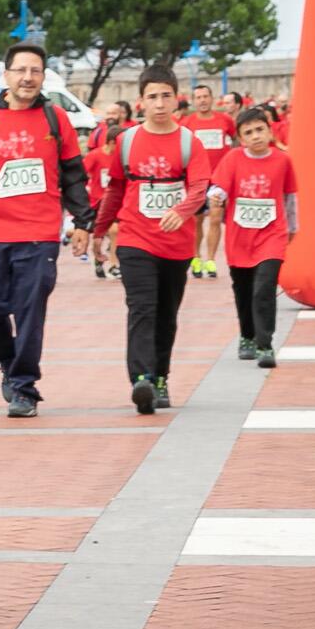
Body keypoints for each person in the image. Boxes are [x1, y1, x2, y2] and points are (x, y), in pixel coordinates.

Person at [0, 43, 94, 418]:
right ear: (6, 75)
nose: (27, 78)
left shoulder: (54, 118)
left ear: (43, 77)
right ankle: (8, 361)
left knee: (30, 309)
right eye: (20, 70)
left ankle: (24, 387)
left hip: (40, 232)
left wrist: (82, 222)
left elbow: (74, 174)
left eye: (35, 71)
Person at [93, 65, 212, 414]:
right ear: (140, 101)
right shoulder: (128, 141)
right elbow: (115, 190)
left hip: (175, 244)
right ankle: (141, 379)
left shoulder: (190, 142)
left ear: (176, 99)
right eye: (152, 97)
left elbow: (200, 186)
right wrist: (100, 230)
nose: (159, 103)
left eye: (165, 96)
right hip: (134, 239)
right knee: (141, 307)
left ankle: (160, 377)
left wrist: (185, 209)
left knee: (166, 313)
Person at [208, 106, 300, 367]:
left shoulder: (283, 161)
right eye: (248, 132)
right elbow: (220, 187)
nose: (256, 136)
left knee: (264, 288)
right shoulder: (233, 159)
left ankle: (265, 344)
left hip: (272, 235)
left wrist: (293, 227)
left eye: (260, 130)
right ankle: (246, 336)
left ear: (270, 131)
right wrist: (215, 196)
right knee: (244, 289)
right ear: (240, 138)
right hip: (240, 237)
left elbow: (290, 196)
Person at [179, 84, 237, 279]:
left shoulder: (225, 120)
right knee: (196, 221)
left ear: (212, 99)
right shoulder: (187, 123)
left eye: (205, 96)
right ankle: (196, 258)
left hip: (219, 180)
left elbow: (237, 140)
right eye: (198, 97)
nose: (202, 100)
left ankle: (211, 260)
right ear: (194, 101)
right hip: (195, 179)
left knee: (215, 218)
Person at [82, 117, 128, 278]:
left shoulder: (123, 159)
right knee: (102, 233)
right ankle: (99, 260)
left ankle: (115, 265)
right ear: (111, 143)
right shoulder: (95, 156)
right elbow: (81, 174)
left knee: (115, 231)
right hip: (97, 202)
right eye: (120, 144)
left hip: (116, 203)